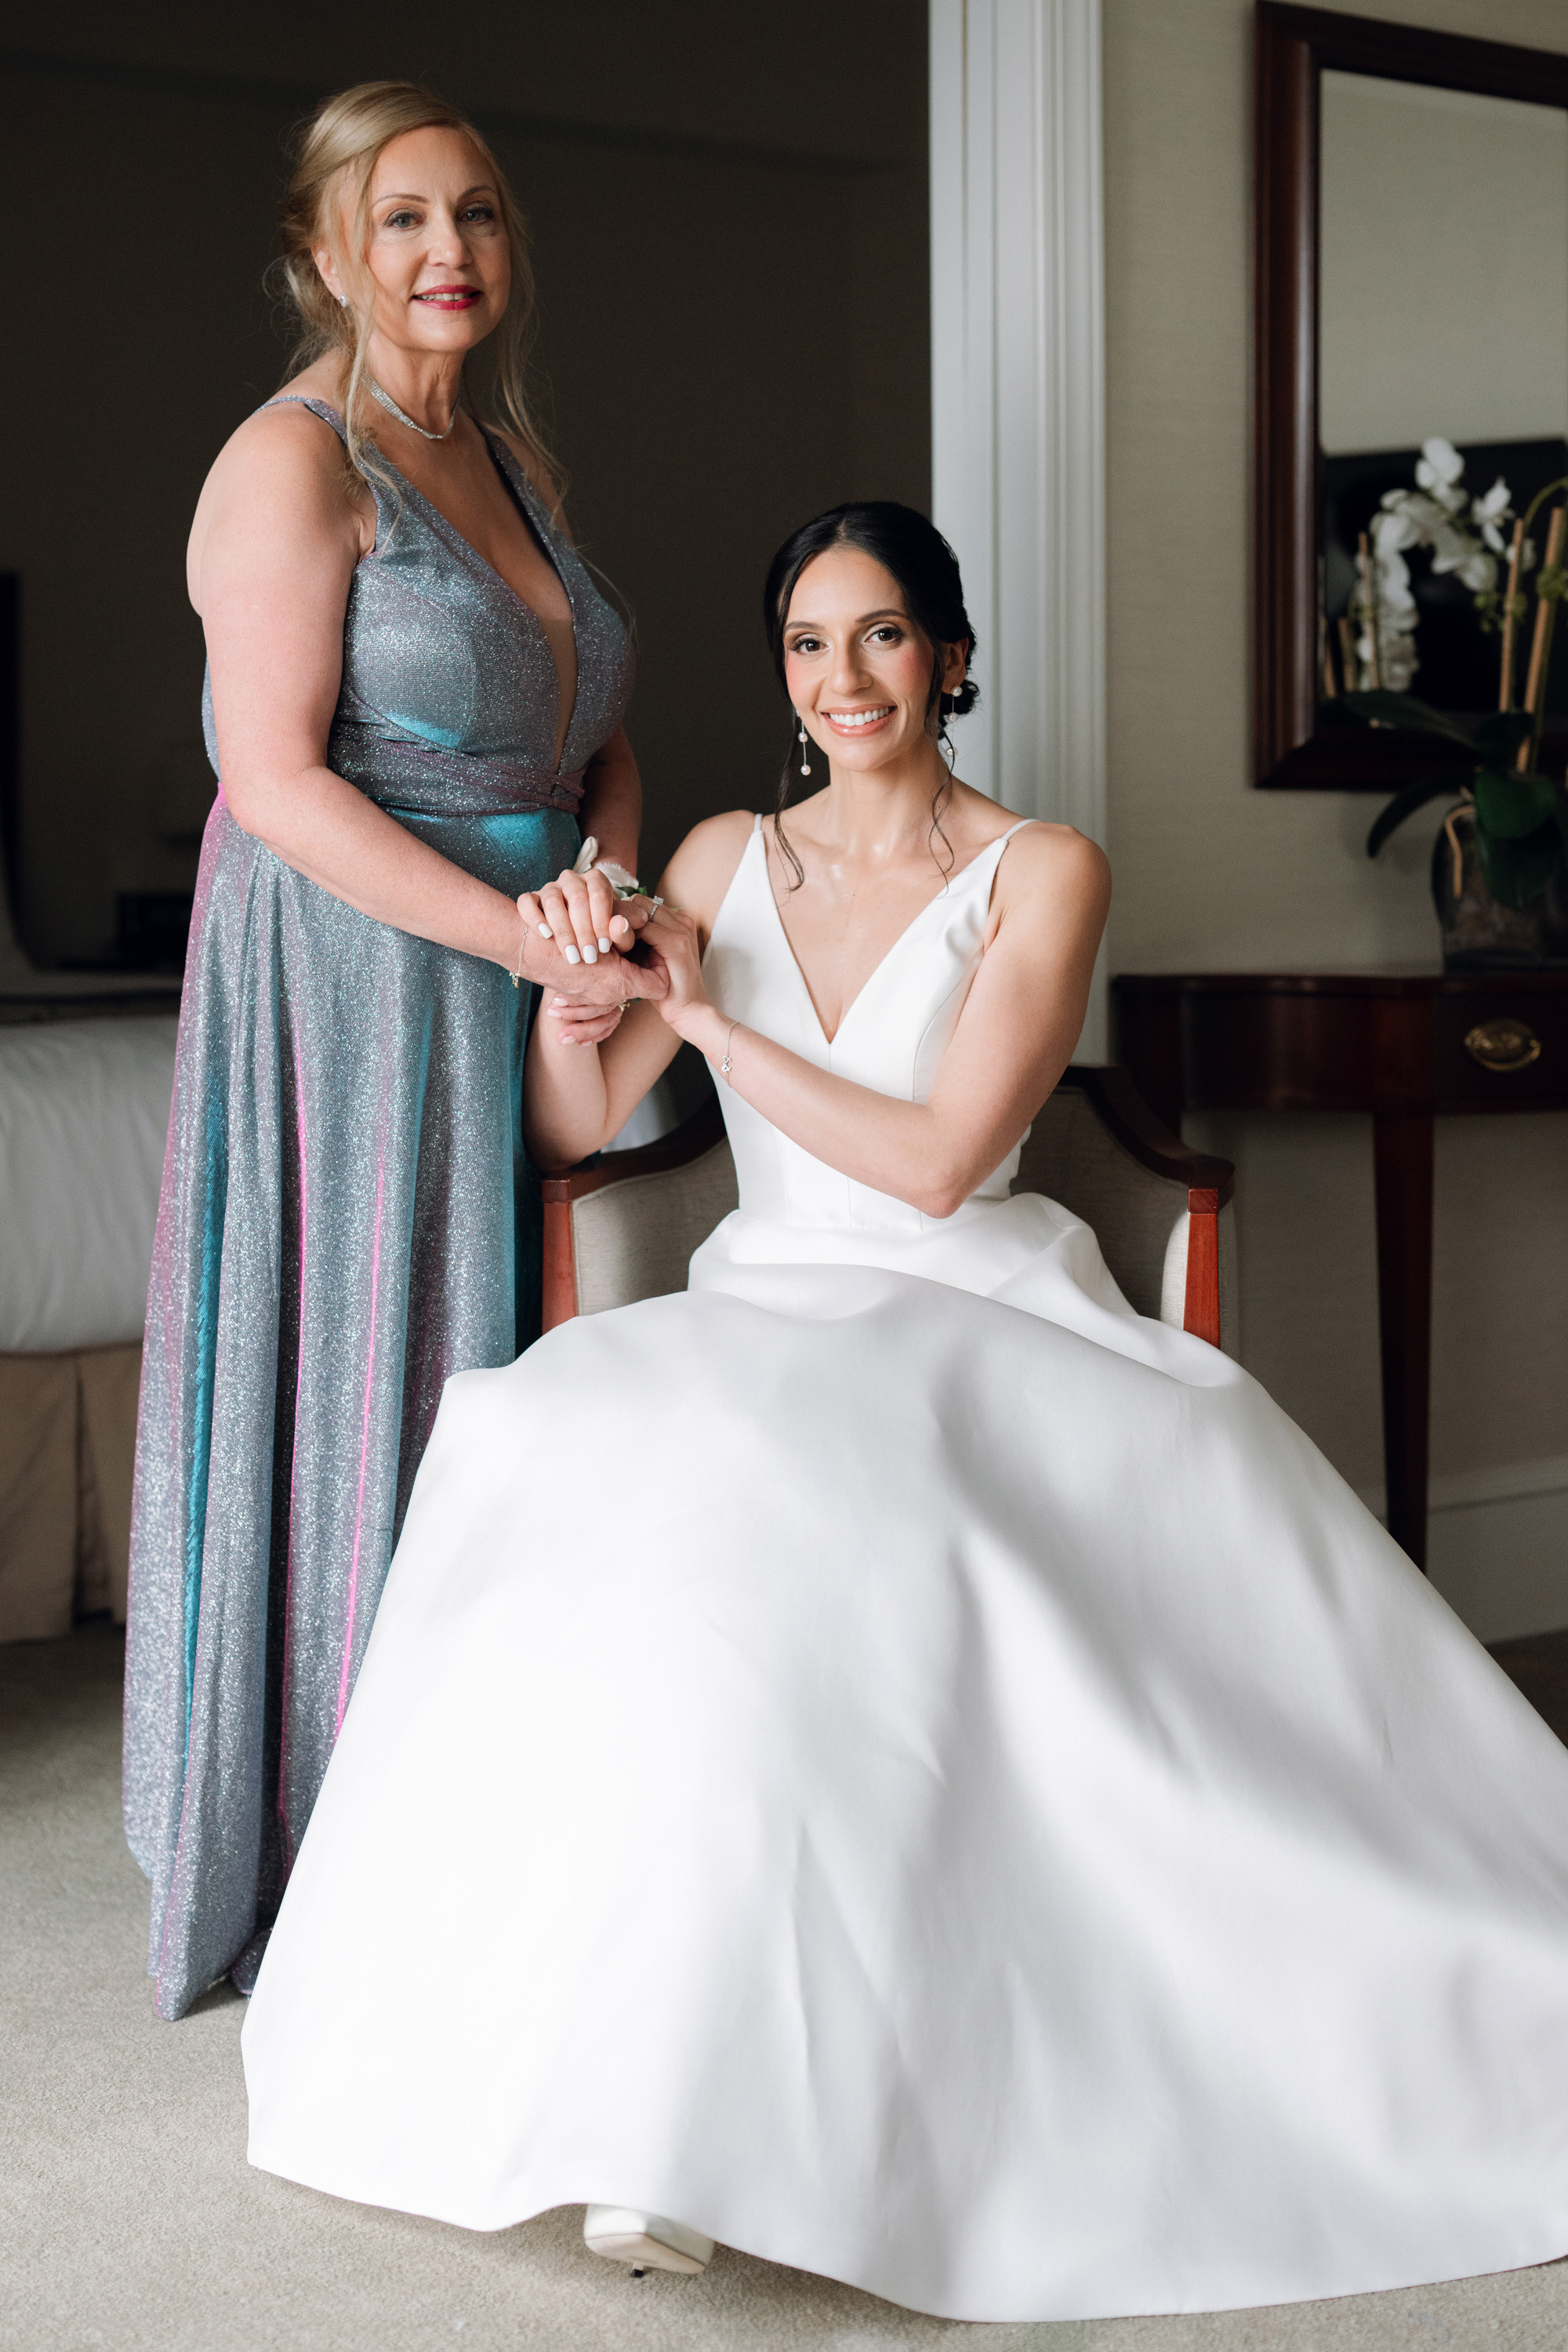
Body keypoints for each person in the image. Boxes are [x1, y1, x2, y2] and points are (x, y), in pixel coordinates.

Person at [240, 504, 1568, 2324]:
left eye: (878, 637)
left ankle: (747, 2117)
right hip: (759, 1300)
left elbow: (943, 1165)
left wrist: (704, 1027)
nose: (841, 678)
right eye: (805, 642)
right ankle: (630, 2093)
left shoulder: (1042, 867)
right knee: (567, 1455)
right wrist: (578, 988)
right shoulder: (712, 851)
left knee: (822, 1509)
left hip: (963, 1301)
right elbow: (573, 1125)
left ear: (948, 653)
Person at [124, 82, 662, 2024]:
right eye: (406, 219)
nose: (452, 254)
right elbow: (270, 779)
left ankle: (485, 1822)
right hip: (351, 978)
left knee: (516, 1381)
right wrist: (506, 926)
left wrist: (595, 891)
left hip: (528, 957)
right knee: (387, 1372)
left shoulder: (509, 457)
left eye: (483, 218)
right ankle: (346, 1860)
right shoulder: (290, 461)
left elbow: (588, 716)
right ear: (328, 251)